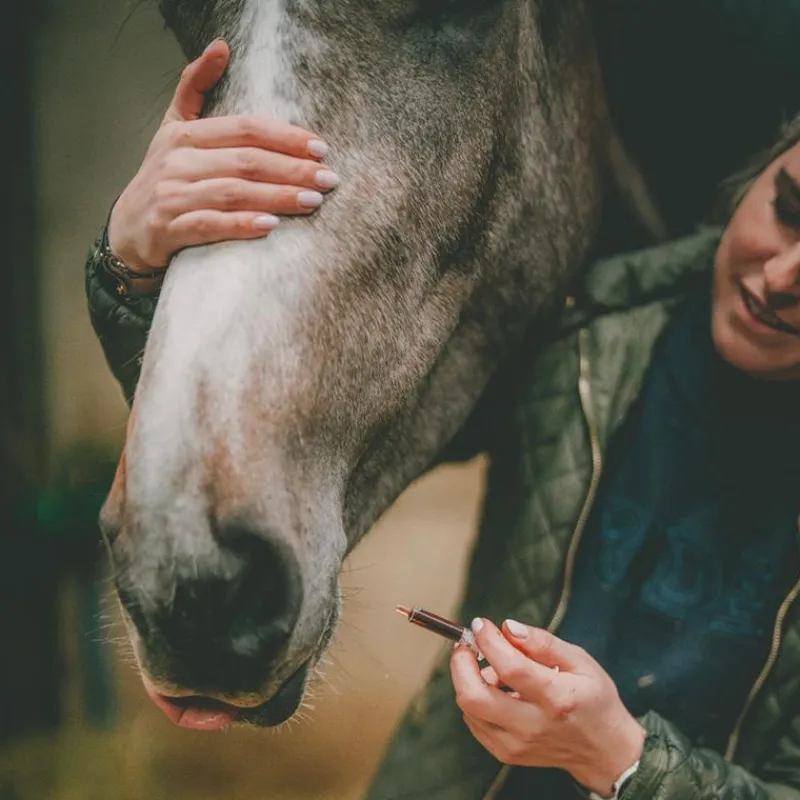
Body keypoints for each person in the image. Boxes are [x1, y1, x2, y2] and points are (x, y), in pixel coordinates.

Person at [87, 41, 800, 800]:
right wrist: (130, 265)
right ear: (749, 182)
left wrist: (625, 763)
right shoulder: (586, 325)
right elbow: (270, 426)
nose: (782, 276)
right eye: (788, 213)